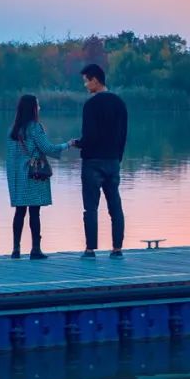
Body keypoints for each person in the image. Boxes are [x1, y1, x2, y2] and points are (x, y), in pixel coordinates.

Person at [6, 94, 72, 259]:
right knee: (34, 211)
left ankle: (16, 250)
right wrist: (68, 145)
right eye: (38, 105)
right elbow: (48, 148)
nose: (39, 108)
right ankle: (35, 250)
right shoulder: (35, 128)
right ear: (32, 109)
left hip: (17, 176)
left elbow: (11, 156)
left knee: (20, 211)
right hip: (33, 174)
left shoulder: (13, 130)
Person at [72, 64, 128, 259]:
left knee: (90, 207)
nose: (85, 85)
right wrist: (118, 157)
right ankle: (117, 249)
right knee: (115, 206)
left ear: (95, 80)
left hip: (93, 162)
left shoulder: (91, 105)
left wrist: (78, 143)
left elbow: (90, 136)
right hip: (113, 161)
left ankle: (90, 250)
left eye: (86, 81)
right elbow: (123, 135)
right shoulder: (119, 103)